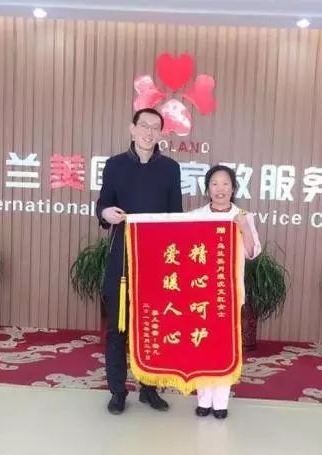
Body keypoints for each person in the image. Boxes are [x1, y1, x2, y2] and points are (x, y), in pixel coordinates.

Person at [96, 107, 183, 415]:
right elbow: (103, 204)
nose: (149, 132)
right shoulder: (115, 165)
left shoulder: (170, 169)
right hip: (122, 257)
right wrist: (105, 213)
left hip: (156, 260)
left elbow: (176, 216)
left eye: (155, 127)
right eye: (144, 125)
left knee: (153, 326)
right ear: (132, 129)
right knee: (117, 328)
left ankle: (149, 389)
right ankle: (118, 391)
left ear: (161, 134)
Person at [190, 164, 261, 419]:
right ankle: (203, 400)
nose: (220, 189)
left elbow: (252, 253)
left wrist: (243, 227)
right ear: (207, 188)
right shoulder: (196, 215)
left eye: (225, 184)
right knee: (201, 345)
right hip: (200, 292)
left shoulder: (243, 215)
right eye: (214, 184)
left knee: (223, 348)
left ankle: (221, 403)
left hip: (228, 294)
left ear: (233, 188)